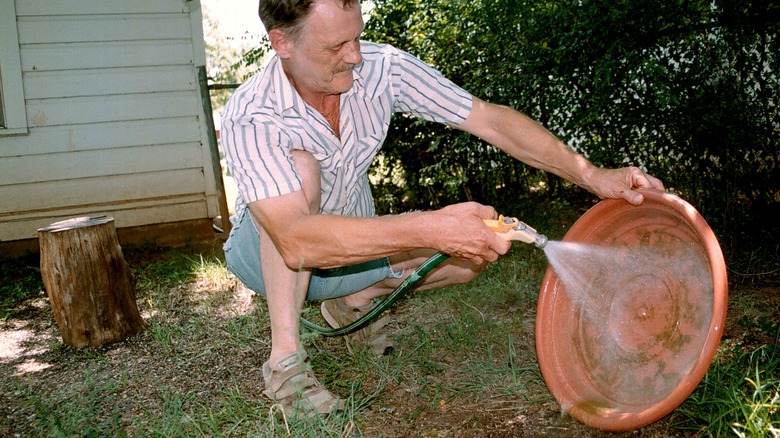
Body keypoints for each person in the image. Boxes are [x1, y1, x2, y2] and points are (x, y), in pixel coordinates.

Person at [220, 0, 664, 417]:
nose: (355, 56)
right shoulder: (253, 113)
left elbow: (488, 118)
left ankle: (353, 301)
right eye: (336, 46)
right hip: (269, 256)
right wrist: (430, 227)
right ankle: (285, 364)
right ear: (282, 43)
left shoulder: (382, 68)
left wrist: (592, 175)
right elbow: (297, 241)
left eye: (356, 37)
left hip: (347, 247)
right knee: (302, 172)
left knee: (467, 261)